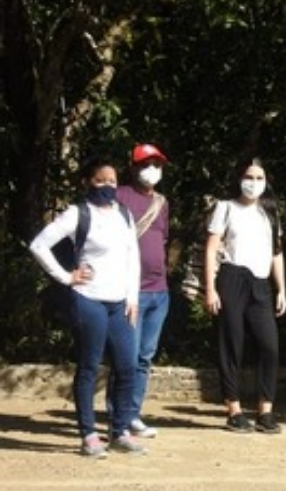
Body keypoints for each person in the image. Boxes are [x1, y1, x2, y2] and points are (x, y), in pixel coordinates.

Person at [29, 156, 146, 457]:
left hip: (119, 302)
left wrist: (132, 298)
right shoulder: (77, 214)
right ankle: (89, 434)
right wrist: (66, 276)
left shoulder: (124, 214)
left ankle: (120, 431)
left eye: (112, 181)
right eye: (100, 180)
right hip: (89, 298)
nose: (107, 185)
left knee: (127, 367)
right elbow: (38, 245)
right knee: (89, 366)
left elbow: (132, 257)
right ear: (86, 182)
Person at [203, 157, 286, 434]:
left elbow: (277, 252)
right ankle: (234, 409)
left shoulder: (270, 212)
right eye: (249, 177)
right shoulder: (226, 207)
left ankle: (266, 410)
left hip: (260, 282)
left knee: (269, 346)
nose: (254, 183)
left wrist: (282, 289)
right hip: (232, 277)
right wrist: (210, 288)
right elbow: (211, 248)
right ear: (239, 179)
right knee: (232, 343)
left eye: (259, 178)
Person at [108, 143, 171, 438]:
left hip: (159, 291)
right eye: (146, 164)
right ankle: (117, 418)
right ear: (132, 167)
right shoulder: (118, 197)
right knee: (126, 357)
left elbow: (163, 239)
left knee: (145, 357)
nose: (152, 170)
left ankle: (132, 415)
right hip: (129, 291)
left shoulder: (162, 203)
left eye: (157, 164)